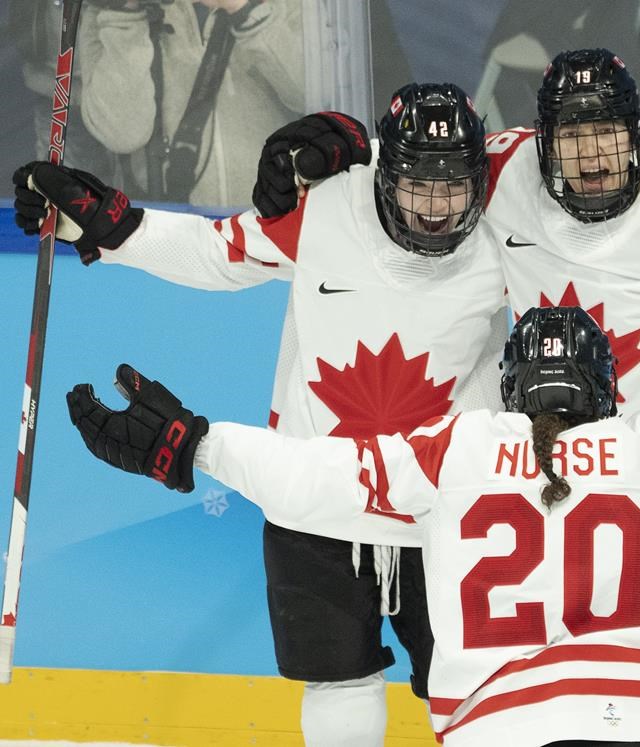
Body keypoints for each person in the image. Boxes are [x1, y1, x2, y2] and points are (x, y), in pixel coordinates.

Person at [64, 305, 640, 747]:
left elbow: (313, 480)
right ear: (608, 387)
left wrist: (196, 446)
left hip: (497, 733)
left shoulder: (454, 448)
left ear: (510, 385)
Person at [250, 48, 640, 746]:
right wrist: (341, 143)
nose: (591, 154)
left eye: (609, 134)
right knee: (556, 683)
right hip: (566, 477)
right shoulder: (505, 173)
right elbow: (422, 158)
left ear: (639, 136)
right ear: (540, 140)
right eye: (572, 136)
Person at [11, 83, 508, 746]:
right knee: (338, 682)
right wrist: (108, 222)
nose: (438, 206)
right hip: (313, 496)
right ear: (385, 172)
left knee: (476, 683)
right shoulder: (330, 211)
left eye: (454, 186)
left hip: (450, 504)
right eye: (419, 185)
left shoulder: (509, 230)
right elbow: (215, 252)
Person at [76, 0, 304, 206]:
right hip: (171, 233)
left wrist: (243, 9)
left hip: (277, 227)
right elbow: (121, 134)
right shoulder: (105, 10)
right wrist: (126, 12)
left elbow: (315, 99)